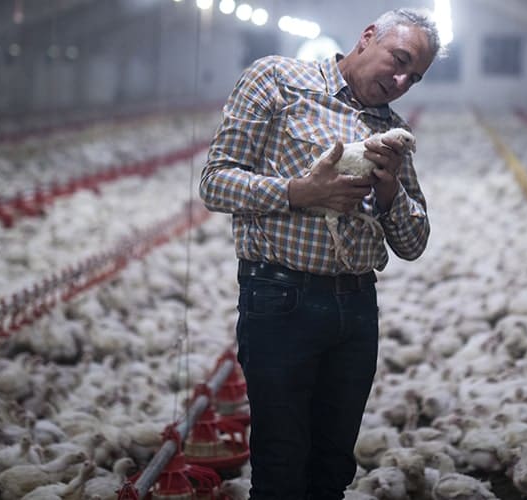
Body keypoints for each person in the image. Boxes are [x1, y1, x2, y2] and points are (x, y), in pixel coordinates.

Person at [199, 7, 440, 499]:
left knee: (332, 466)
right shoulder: (278, 80)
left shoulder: (391, 132)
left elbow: (414, 244)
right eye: (397, 60)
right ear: (367, 37)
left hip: (355, 309)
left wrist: (391, 186)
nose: (400, 80)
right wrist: (298, 192)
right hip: (280, 298)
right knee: (283, 461)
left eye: (413, 77)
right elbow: (214, 182)